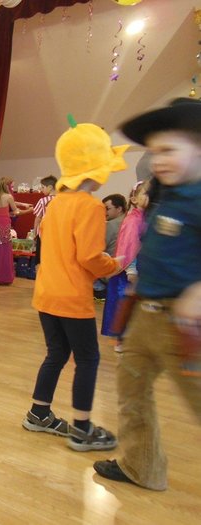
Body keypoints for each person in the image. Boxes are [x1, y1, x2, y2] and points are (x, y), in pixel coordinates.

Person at [93, 98, 201, 491]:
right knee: (131, 391)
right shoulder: (166, 193)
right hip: (146, 316)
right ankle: (142, 466)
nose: (160, 161)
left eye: (169, 150)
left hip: (185, 325)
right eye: (155, 152)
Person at [22, 119, 125, 452]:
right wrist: (115, 265)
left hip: (46, 294)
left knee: (56, 353)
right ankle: (81, 429)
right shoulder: (91, 205)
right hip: (71, 296)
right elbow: (90, 257)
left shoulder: (56, 204)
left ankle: (39, 413)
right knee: (88, 359)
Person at [100, 181, 150, 352]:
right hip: (129, 271)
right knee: (125, 305)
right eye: (146, 193)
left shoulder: (145, 217)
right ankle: (121, 341)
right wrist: (131, 269)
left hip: (142, 268)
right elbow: (129, 245)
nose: (150, 197)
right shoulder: (132, 220)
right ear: (134, 199)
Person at [0, 177, 23, 285]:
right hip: (4, 223)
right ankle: (3, 276)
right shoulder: (8, 196)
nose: (12, 188)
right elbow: (16, 211)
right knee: (4, 248)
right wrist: (28, 210)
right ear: (7, 186)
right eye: (12, 186)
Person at [32, 175, 58, 267]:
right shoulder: (62, 200)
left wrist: (34, 234)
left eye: (43, 187)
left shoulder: (42, 201)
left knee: (40, 259)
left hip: (43, 233)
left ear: (50, 187)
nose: (41, 189)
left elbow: (38, 218)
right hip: (58, 234)